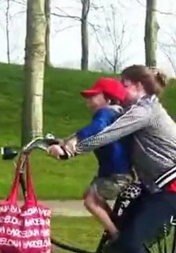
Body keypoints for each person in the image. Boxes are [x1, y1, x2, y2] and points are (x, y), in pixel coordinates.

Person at [48, 65, 176, 253]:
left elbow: (107, 135)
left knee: (129, 240)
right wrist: (66, 140)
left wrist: (72, 151)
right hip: (155, 187)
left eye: (124, 84)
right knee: (119, 240)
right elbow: (102, 124)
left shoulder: (144, 111)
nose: (120, 88)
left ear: (138, 86)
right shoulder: (134, 110)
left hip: (171, 188)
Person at [57, 77, 135, 239]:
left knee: (91, 201)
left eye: (94, 96)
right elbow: (93, 132)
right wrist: (65, 141)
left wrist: (74, 141)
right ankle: (116, 226)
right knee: (89, 195)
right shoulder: (116, 115)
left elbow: (96, 128)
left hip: (116, 176)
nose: (89, 100)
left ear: (108, 98)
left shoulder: (106, 113)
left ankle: (117, 238)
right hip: (115, 173)